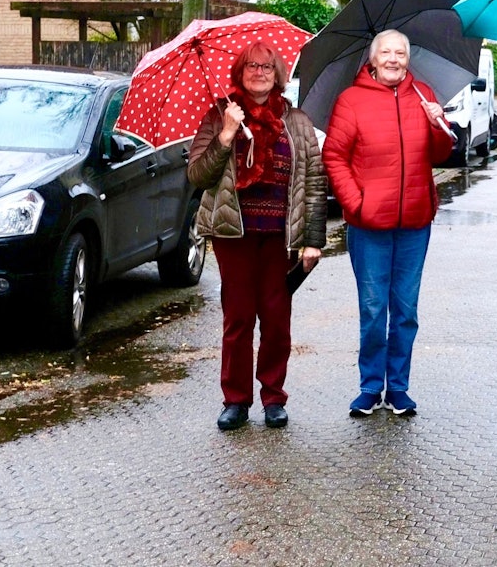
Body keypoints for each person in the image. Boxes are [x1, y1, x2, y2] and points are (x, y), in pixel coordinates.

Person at [187, 41, 327, 432]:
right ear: (239, 72)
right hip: (234, 234)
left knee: (277, 319)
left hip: (281, 237)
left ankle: (273, 398)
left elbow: (314, 181)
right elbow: (197, 175)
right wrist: (227, 136)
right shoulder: (219, 116)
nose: (259, 73)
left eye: (267, 67)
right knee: (238, 319)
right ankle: (235, 400)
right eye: (251, 66)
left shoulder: (296, 121)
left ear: (278, 74)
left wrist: (313, 239)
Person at [322, 29, 455, 417]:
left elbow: (442, 152)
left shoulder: (423, 95)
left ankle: (398, 388)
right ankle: (369, 387)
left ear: (408, 59)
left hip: (415, 221)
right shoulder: (351, 100)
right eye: (386, 52)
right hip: (368, 226)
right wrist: (356, 203)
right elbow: (334, 156)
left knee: (405, 309)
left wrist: (437, 123)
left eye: (400, 52)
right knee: (373, 307)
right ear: (373, 58)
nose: (394, 59)